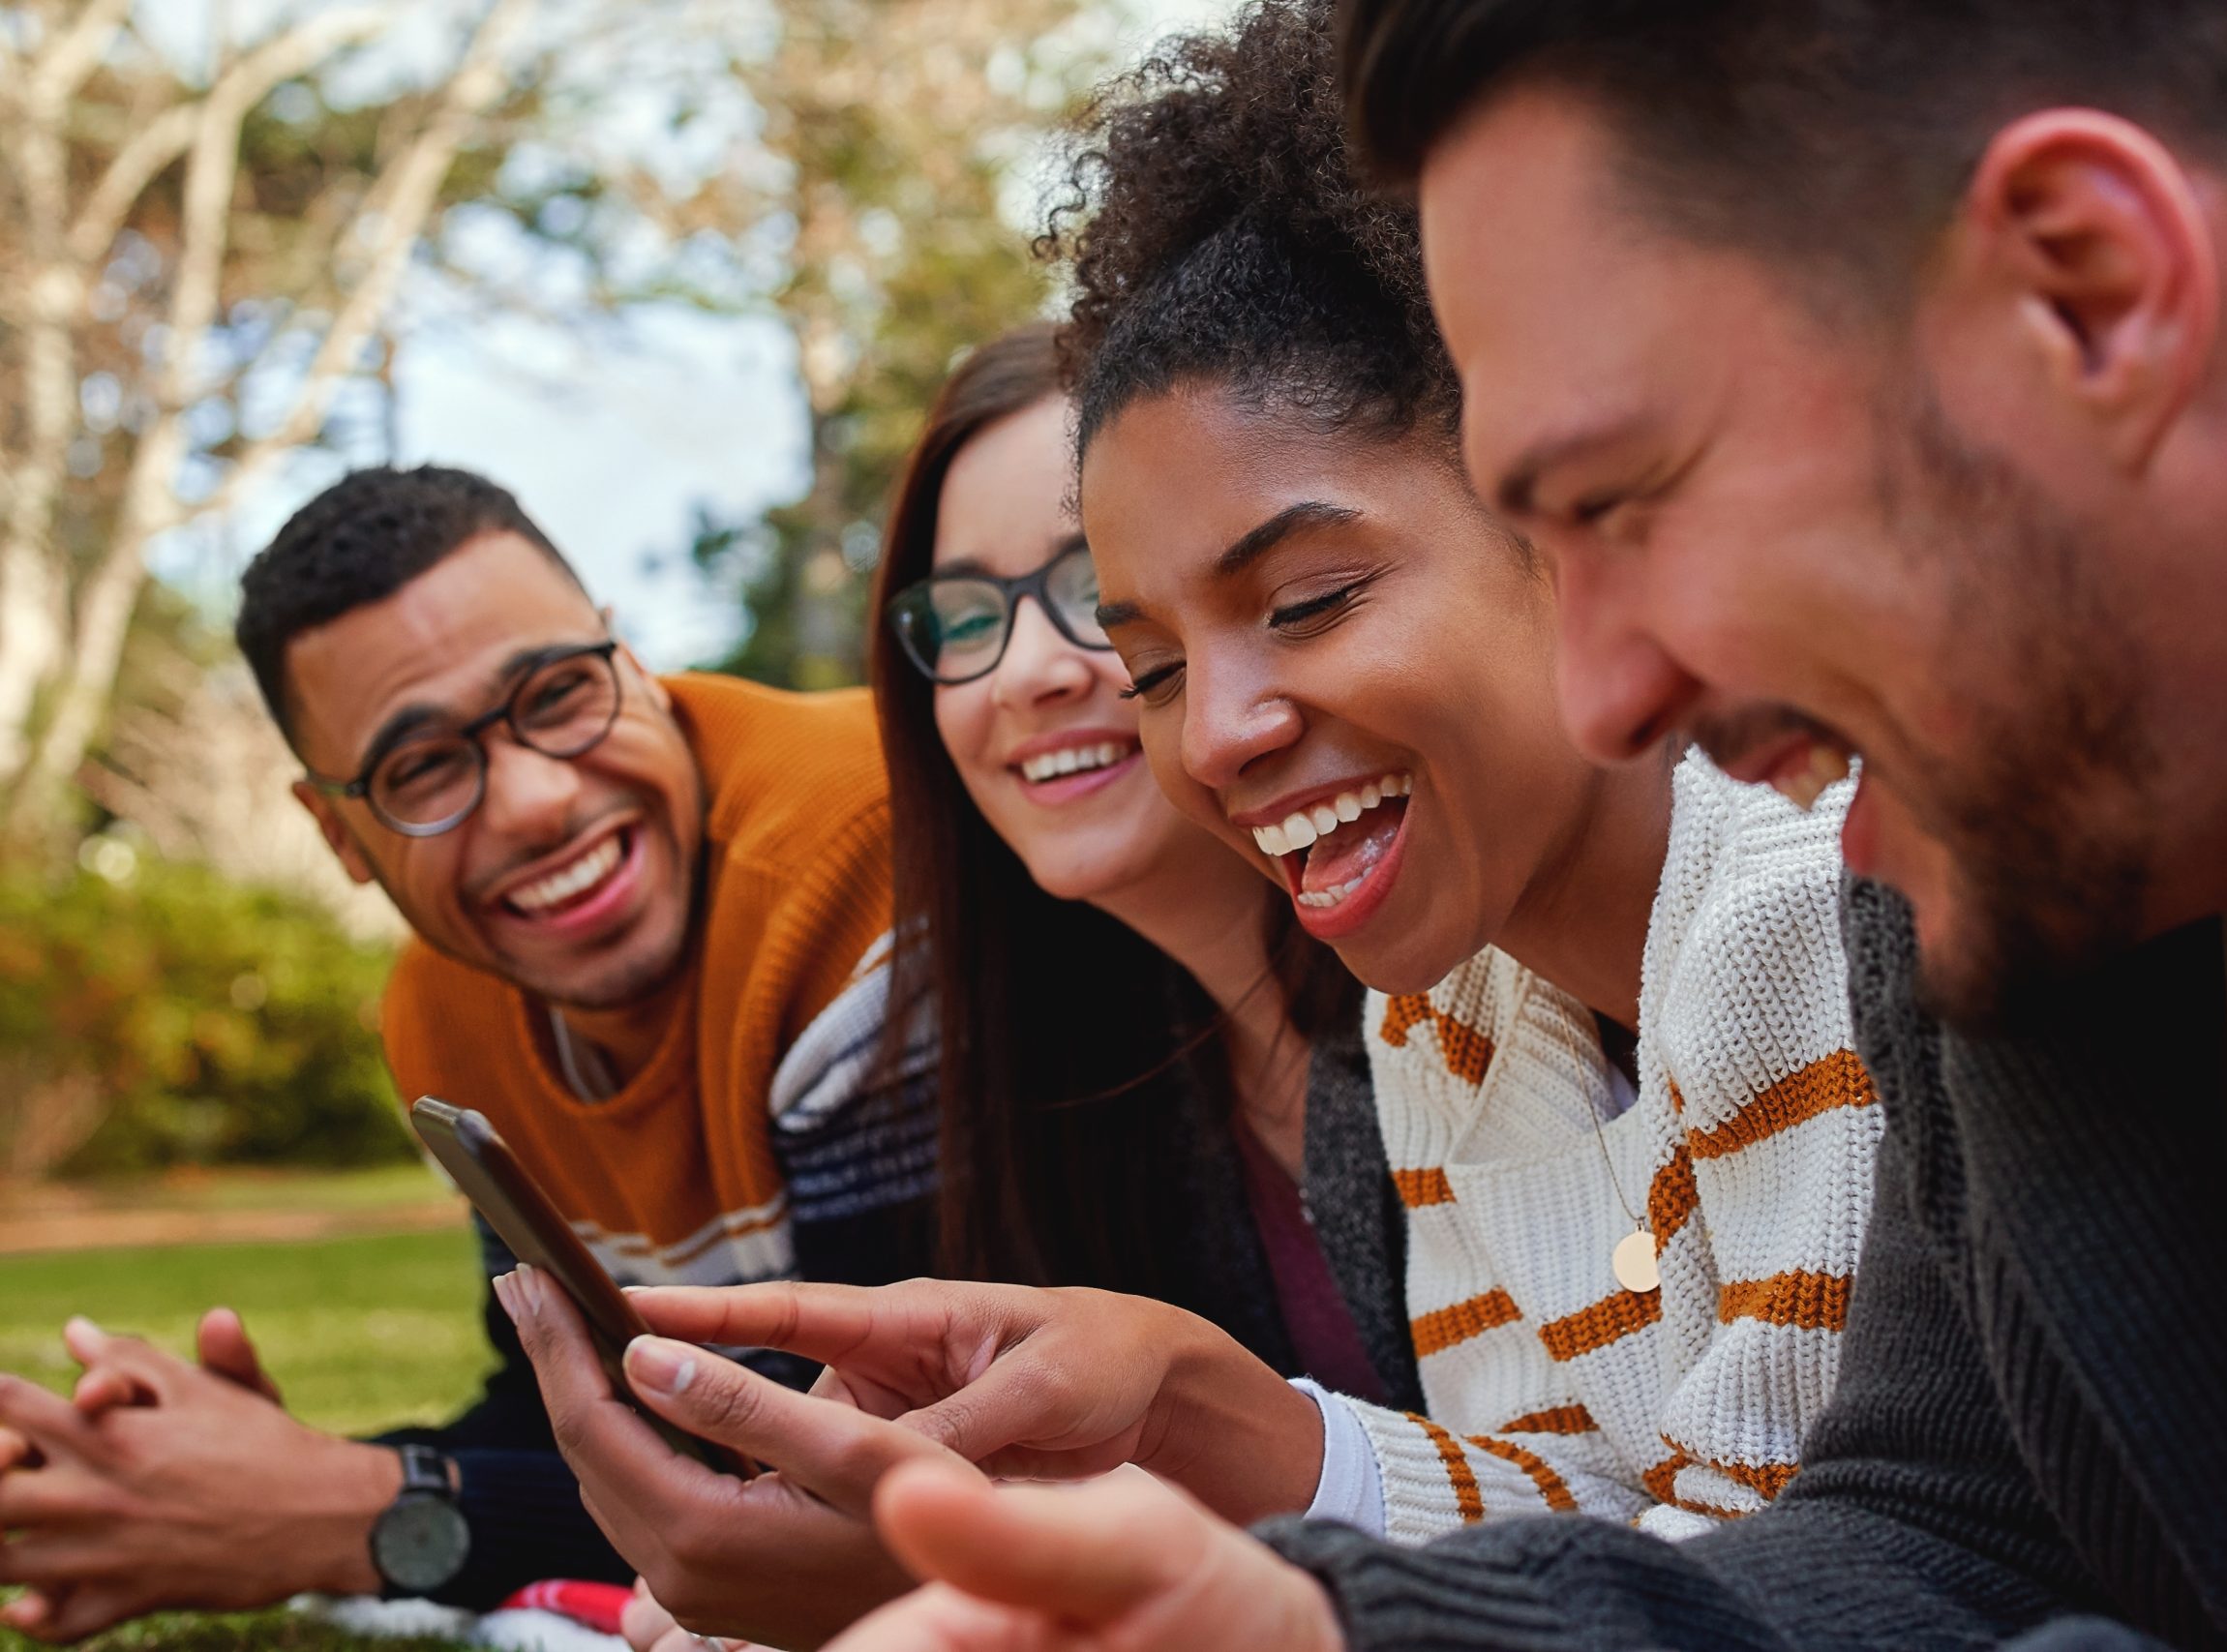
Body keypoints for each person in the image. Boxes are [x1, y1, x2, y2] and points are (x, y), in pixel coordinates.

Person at [807, 1, 2227, 1649]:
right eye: (1156, 660)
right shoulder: (2021, 887)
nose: (1614, 699)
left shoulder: (1843, 878)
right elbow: (1944, 1535)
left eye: (1626, 502)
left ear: (2089, 292)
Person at [498, 0, 1873, 1615]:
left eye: (1307, 599)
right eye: (1152, 660)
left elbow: (1792, 1582)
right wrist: (1219, 1430)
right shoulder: (1446, 1012)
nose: (1213, 734)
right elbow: (1561, 1512)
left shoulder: (1792, 907)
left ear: (1544, 497)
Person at [502, 327, 1421, 1652]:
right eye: (966, 618)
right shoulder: (1078, 1074)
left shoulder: (1470, 1005)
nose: (1026, 672)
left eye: (1093, 591)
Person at [0, 465, 934, 1641]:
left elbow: (858, 1466)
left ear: (631, 665)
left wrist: (358, 1512)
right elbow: (574, 1417)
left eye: (555, 694)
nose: (538, 800)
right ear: (338, 832)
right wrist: (252, 1484)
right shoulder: (444, 1013)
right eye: (424, 769)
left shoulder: (859, 866)